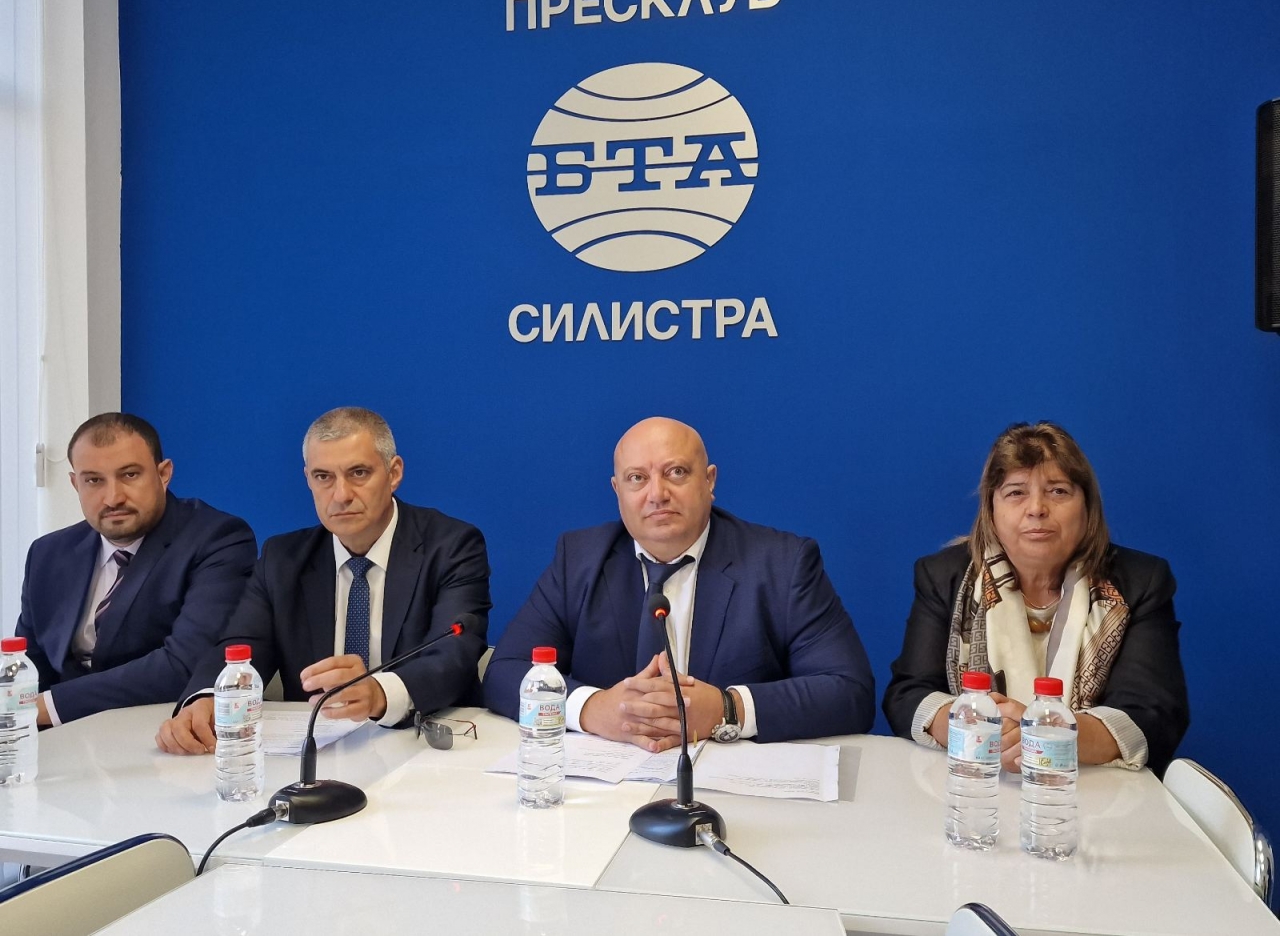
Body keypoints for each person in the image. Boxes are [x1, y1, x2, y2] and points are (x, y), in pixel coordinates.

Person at [484, 416, 874, 749]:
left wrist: (727, 709)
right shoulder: (579, 559)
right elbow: (505, 672)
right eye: (637, 478)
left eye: (676, 472)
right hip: (608, 784)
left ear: (709, 481)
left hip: (731, 781)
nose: (657, 494)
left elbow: (849, 691)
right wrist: (591, 708)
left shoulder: (783, 564)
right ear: (618, 491)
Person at [156, 407, 490, 754]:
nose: (341, 494)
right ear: (308, 480)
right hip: (319, 752)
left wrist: (379, 692)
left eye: (358, 473)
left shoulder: (451, 546)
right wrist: (209, 697)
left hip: (427, 749)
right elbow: (242, 647)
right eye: (323, 477)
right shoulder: (283, 559)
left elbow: (454, 654)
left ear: (394, 473)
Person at [883, 421, 1189, 775]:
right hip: (976, 777)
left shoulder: (1140, 581)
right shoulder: (944, 576)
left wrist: (1050, 736)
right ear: (991, 510)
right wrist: (969, 723)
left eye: (1058, 491)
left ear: (1087, 507)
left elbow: (1154, 714)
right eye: (1016, 492)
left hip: (1091, 786)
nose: (1037, 508)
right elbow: (909, 693)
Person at [15, 413, 256, 725]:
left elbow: (185, 665)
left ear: (164, 474)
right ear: (75, 484)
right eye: (94, 480)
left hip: (157, 730)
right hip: (55, 735)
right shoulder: (48, 553)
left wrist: (45, 707)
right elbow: (30, 666)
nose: (113, 498)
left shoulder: (217, 539)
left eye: (129, 475)